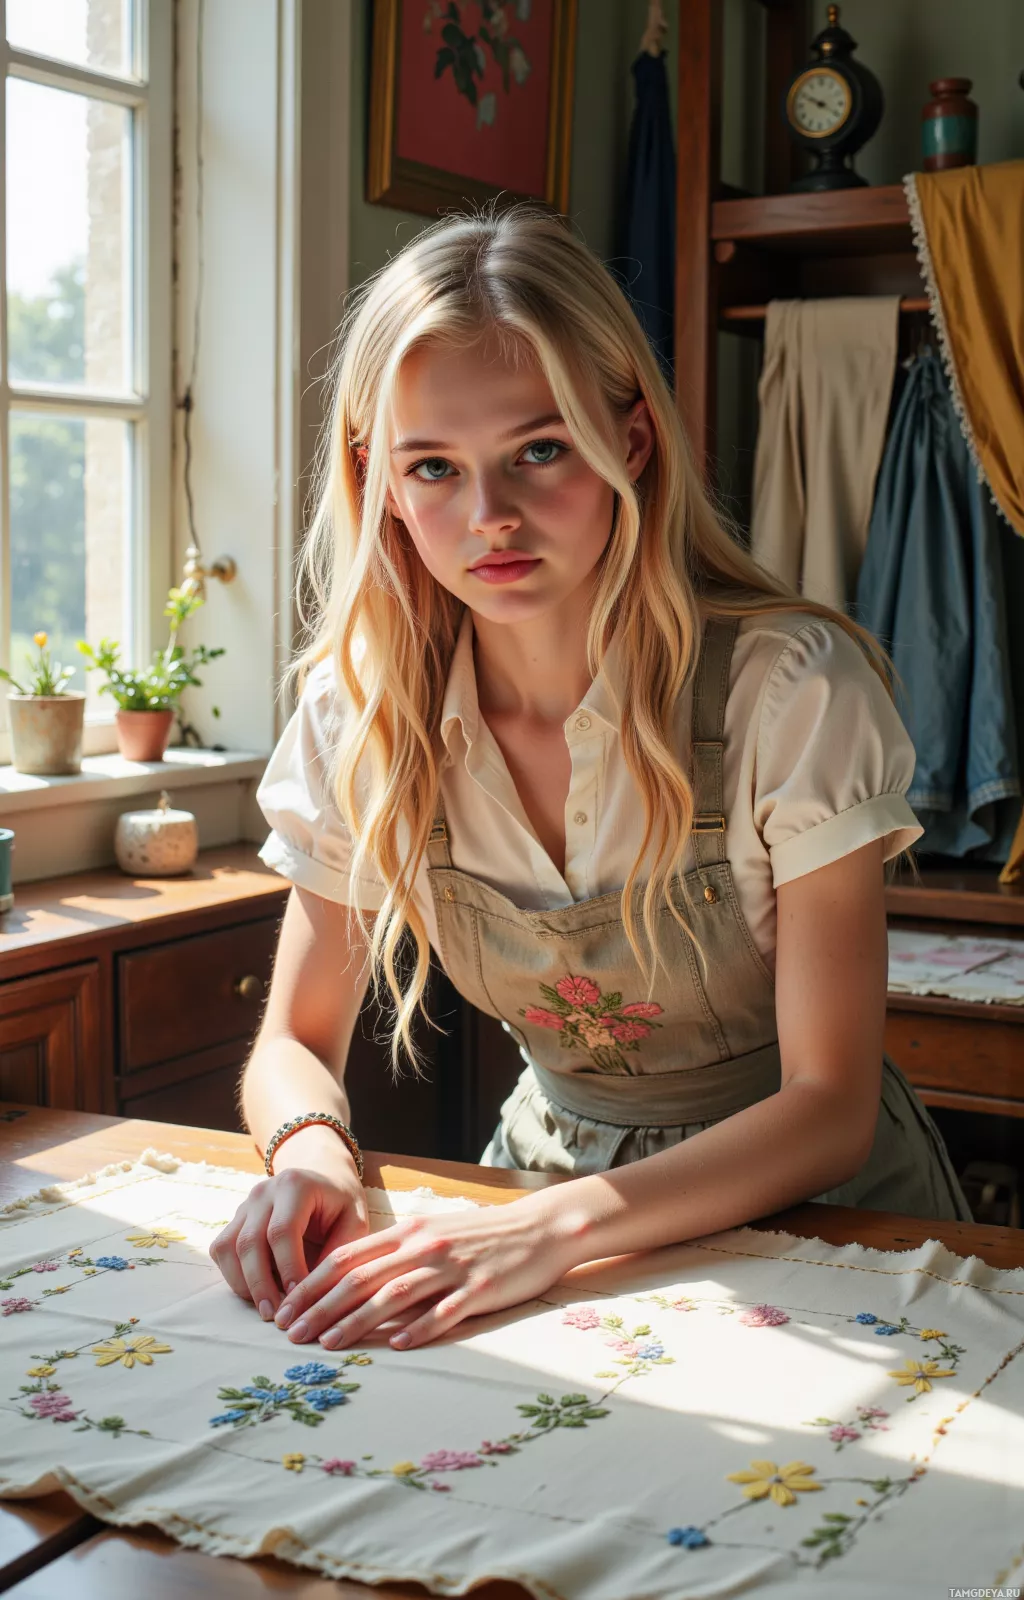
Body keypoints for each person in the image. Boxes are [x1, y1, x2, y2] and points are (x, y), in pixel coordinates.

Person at [210, 203, 971, 1357]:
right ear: (381, 482)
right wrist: (310, 1154)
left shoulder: (786, 691)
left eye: (541, 449)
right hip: (541, 1192)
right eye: (434, 467)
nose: (490, 518)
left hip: (828, 1223)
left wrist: (543, 1233)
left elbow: (829, 1106)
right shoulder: (358, 717)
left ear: (633, 439)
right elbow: (292, 1043)